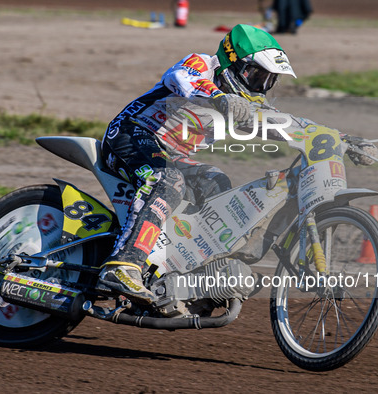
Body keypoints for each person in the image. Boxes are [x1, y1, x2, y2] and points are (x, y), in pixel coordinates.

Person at [96, 24, 299, 304]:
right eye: (256, 76)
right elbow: (181, 77)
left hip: (171, 155)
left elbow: (285, 125)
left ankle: (195, 271)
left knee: (217, 182)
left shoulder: (241, 102)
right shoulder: (201, 64)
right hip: (132, 134)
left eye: (268, 80)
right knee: (168, 181)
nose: (260, 87)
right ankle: (123, 264)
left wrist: (338, 138)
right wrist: (219, 97)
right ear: (234, 64)